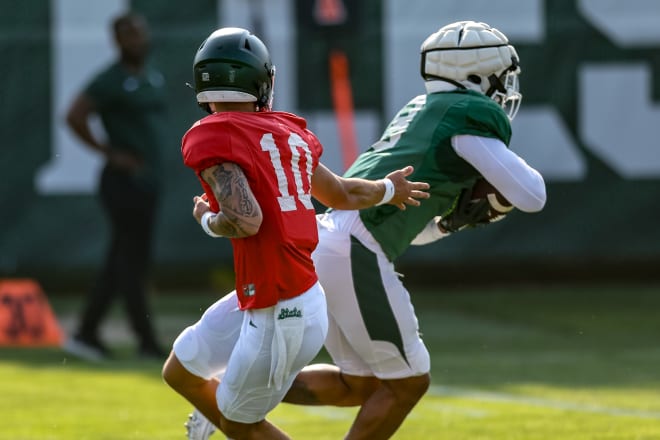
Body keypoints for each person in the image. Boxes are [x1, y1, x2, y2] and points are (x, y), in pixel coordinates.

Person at [184, 20, 548, 439]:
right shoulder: (466, 117)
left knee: (359, 385)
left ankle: (231, 388)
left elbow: (414, 226)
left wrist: (447, 223)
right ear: (477, 77)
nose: (505, 89)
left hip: (334, 238)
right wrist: (489, 202)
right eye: (501, 78)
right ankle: (234, 391)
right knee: (409, 382)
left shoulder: (423, 111)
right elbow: (532, 194)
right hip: (355, 247)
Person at [160, 27, 430, 440]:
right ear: (261, 81)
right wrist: (389, 189)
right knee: (182, 369)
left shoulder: (212, 134)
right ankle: (230, 399)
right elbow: (339, 192)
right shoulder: (288, 133)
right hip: (281, 292)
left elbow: (244, 220)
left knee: (238, 424)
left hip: (280, 306)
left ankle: (235, 405)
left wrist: (207, 220)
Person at [63, 12, 169, 361]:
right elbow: (74, 115)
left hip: (149, 181)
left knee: (122, 260)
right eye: (128, 35)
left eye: (139, 33)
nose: (136, 40)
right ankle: (146, 339)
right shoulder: (111, 80)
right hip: (123, 182)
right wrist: (108, 152)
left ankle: (87, 331)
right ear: (117, 41)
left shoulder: (151, 76)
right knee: (129, 262)